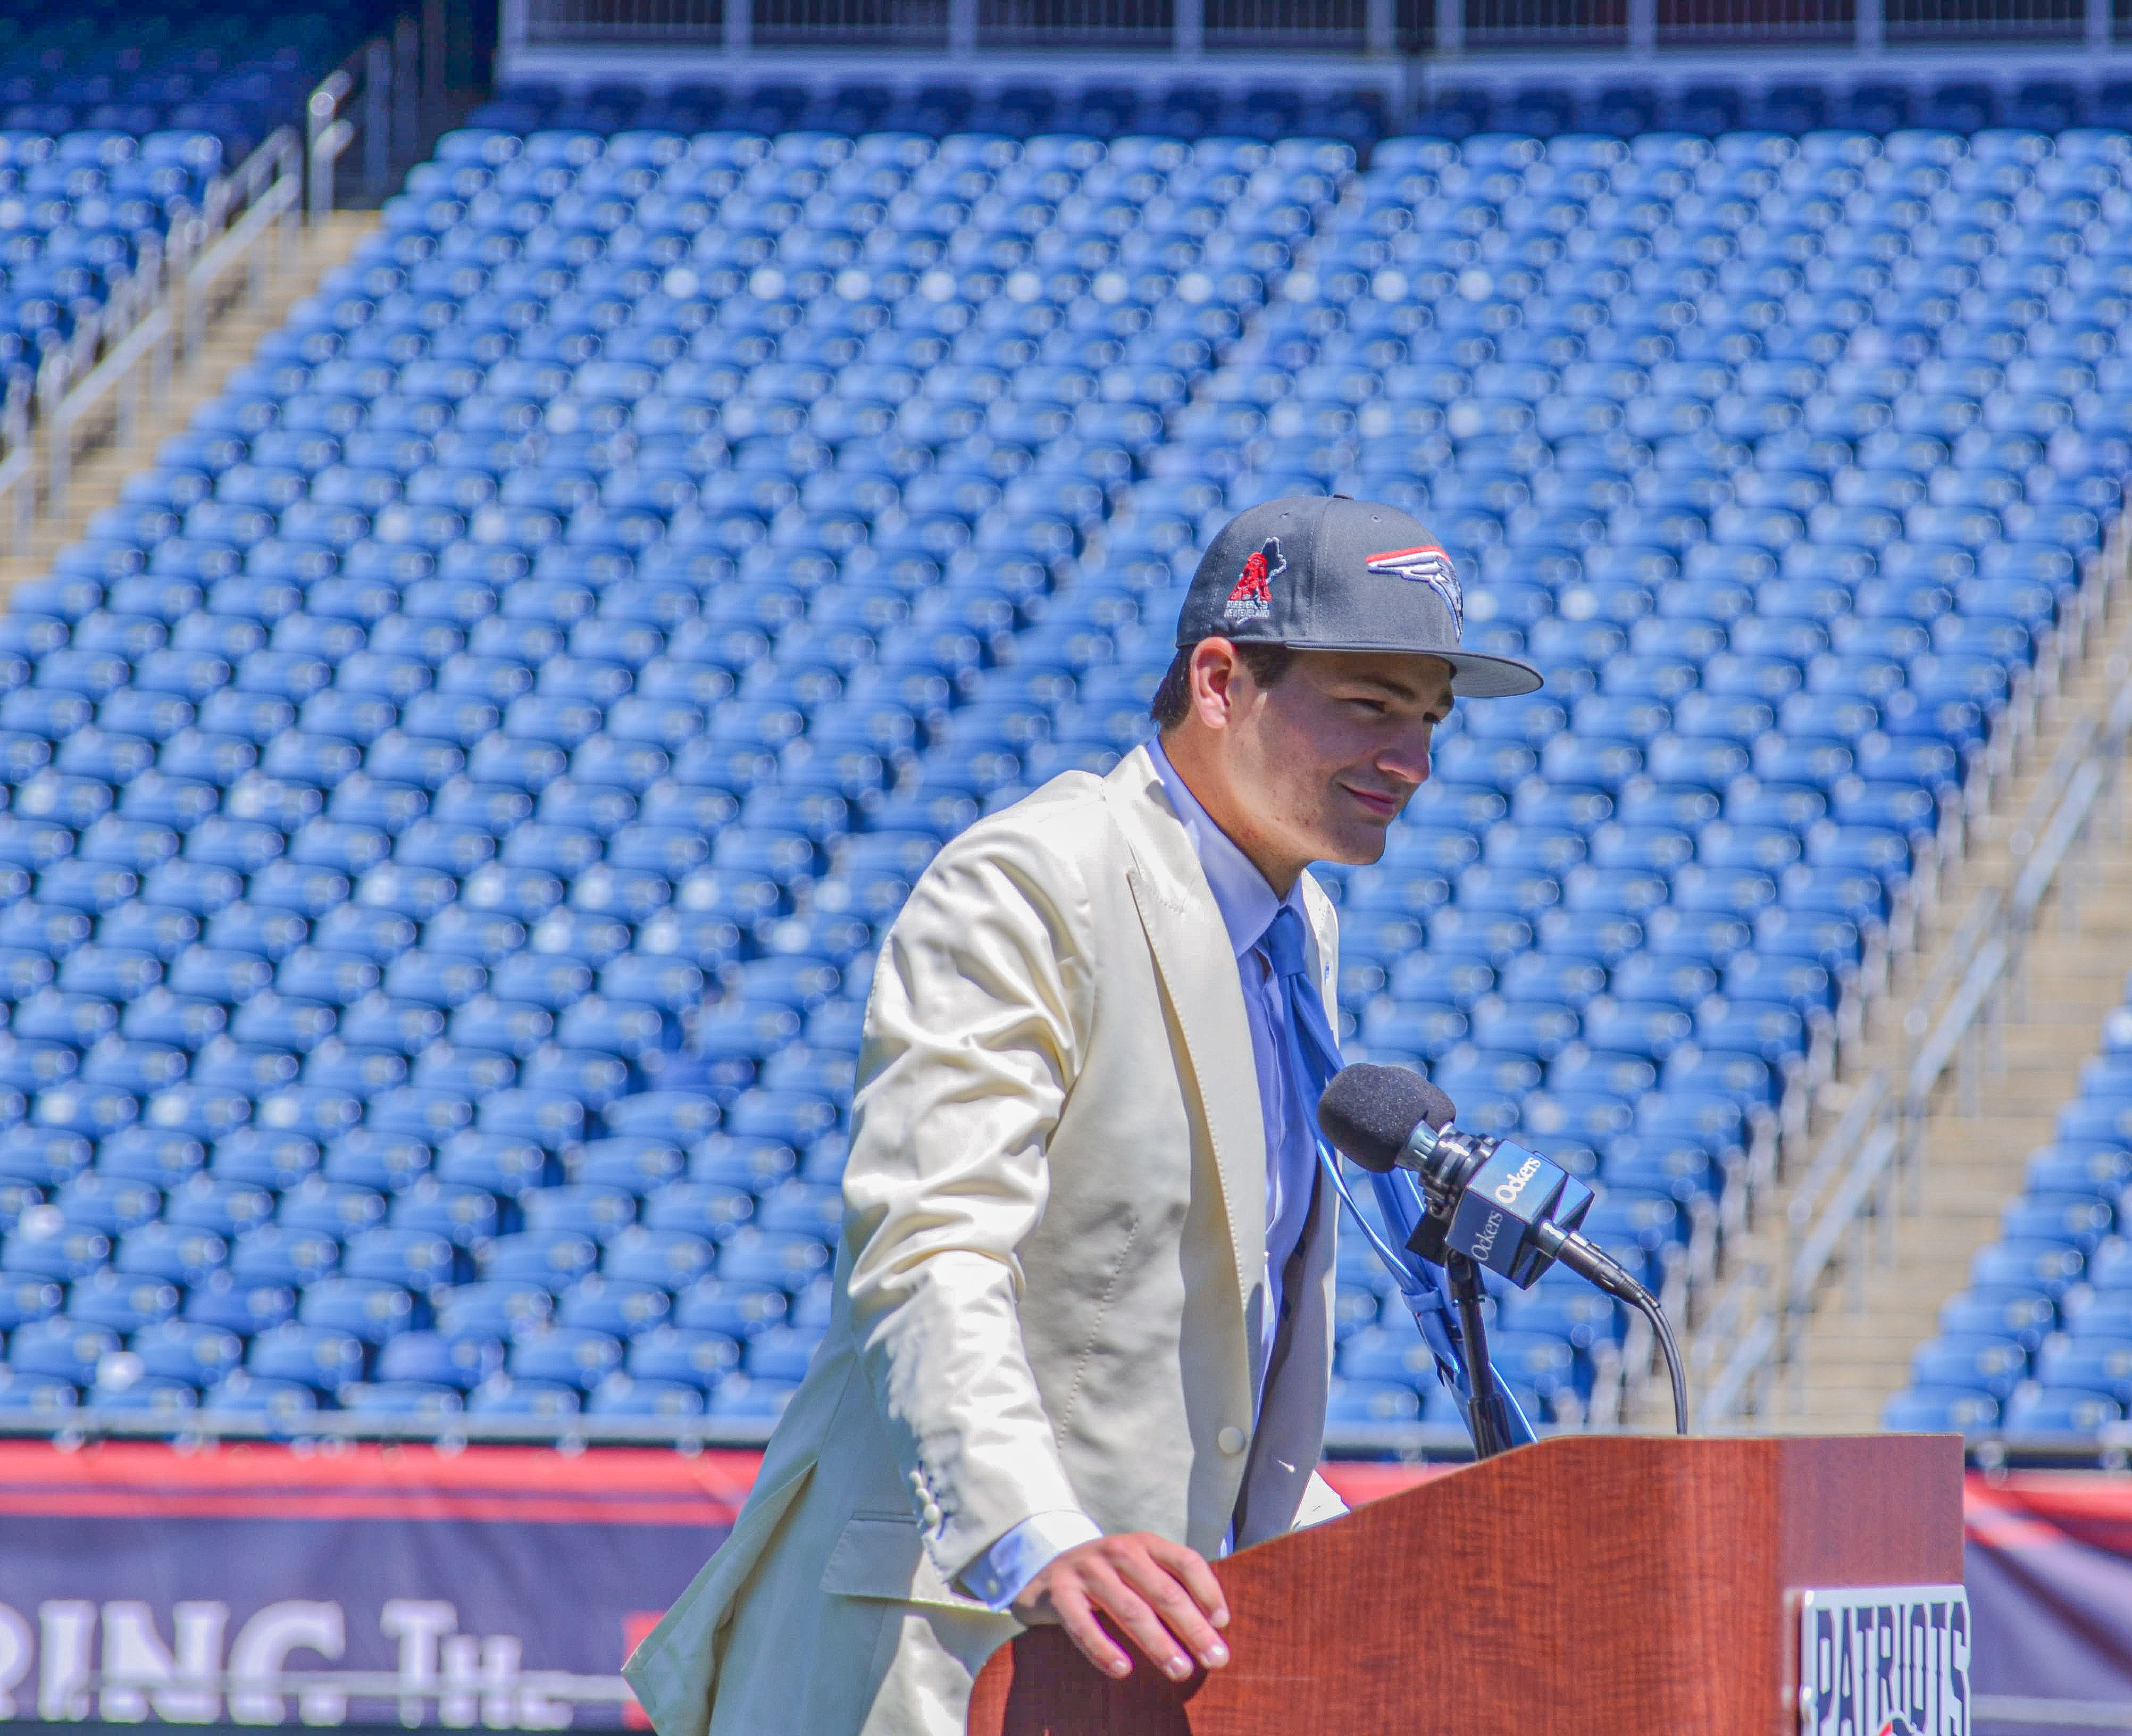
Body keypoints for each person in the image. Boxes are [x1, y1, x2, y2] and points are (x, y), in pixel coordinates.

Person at [625, 495, 1542, 1736]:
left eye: (1428, 722)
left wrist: (1349, 1556)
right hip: (940, 1656)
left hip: (1126, 1667)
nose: (1413, 761)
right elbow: (930, 1253)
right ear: (1219, 681)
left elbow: (1198, 1376)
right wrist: (1037, 1536)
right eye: (1372, 707)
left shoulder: (1296, 927)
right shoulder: (1032, 880)